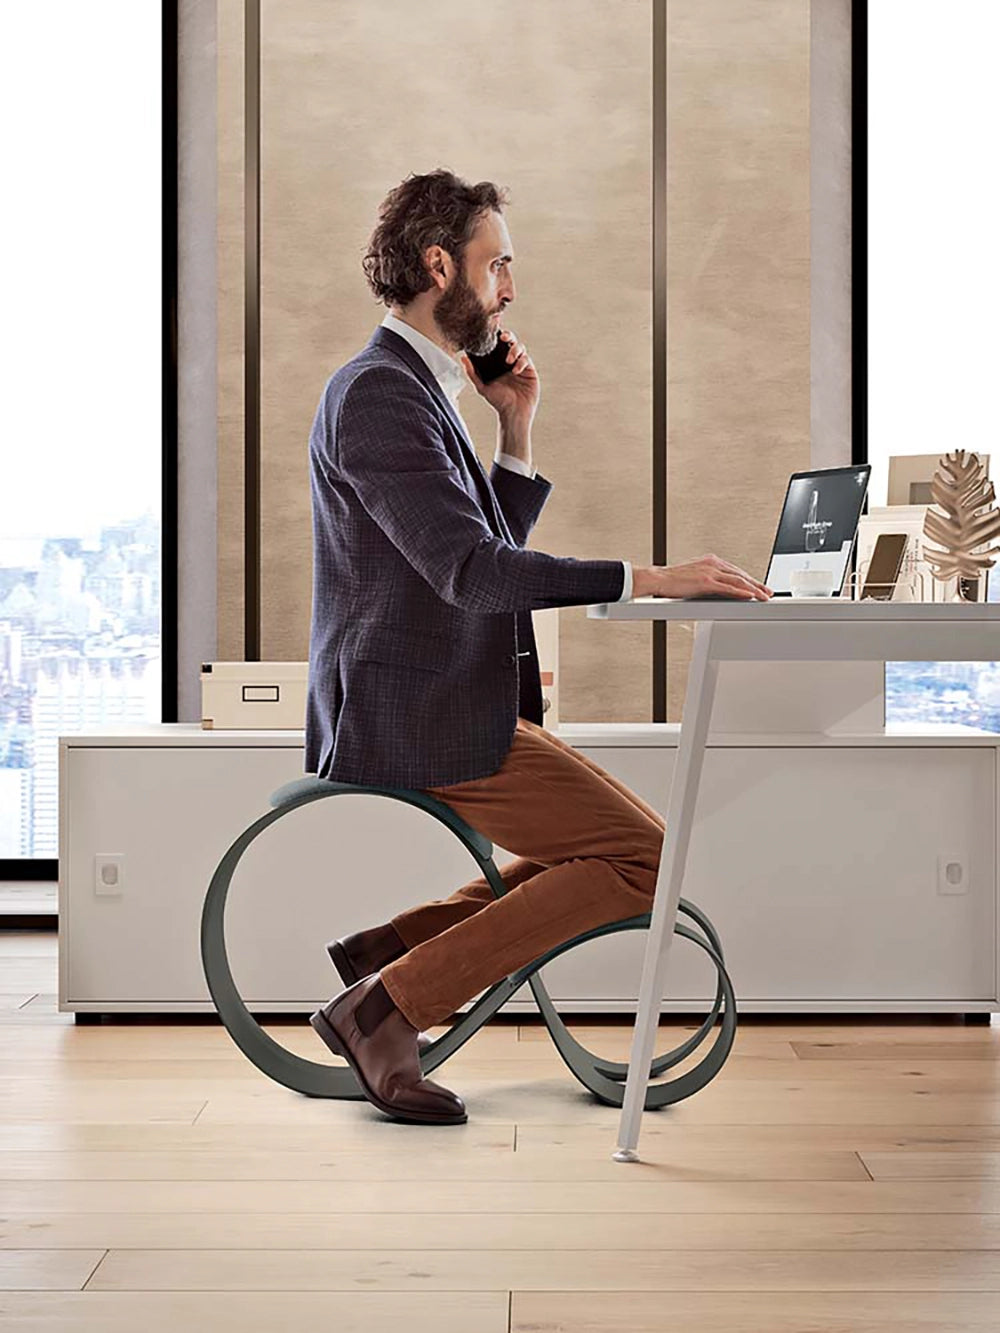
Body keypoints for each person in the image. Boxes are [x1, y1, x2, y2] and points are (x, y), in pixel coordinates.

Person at [304, 168, 771, 1125]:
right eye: (497, 263)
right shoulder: (378, 397)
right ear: (441, 266)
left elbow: (476, 558)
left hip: (444, 698)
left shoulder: (413, 390)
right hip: (417, 711)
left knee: (621, 847)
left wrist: (514, 427)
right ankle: (389, 1004)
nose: (510, 287)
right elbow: (471, 576)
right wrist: (650, 576)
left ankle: (390, 953)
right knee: (644, 857)